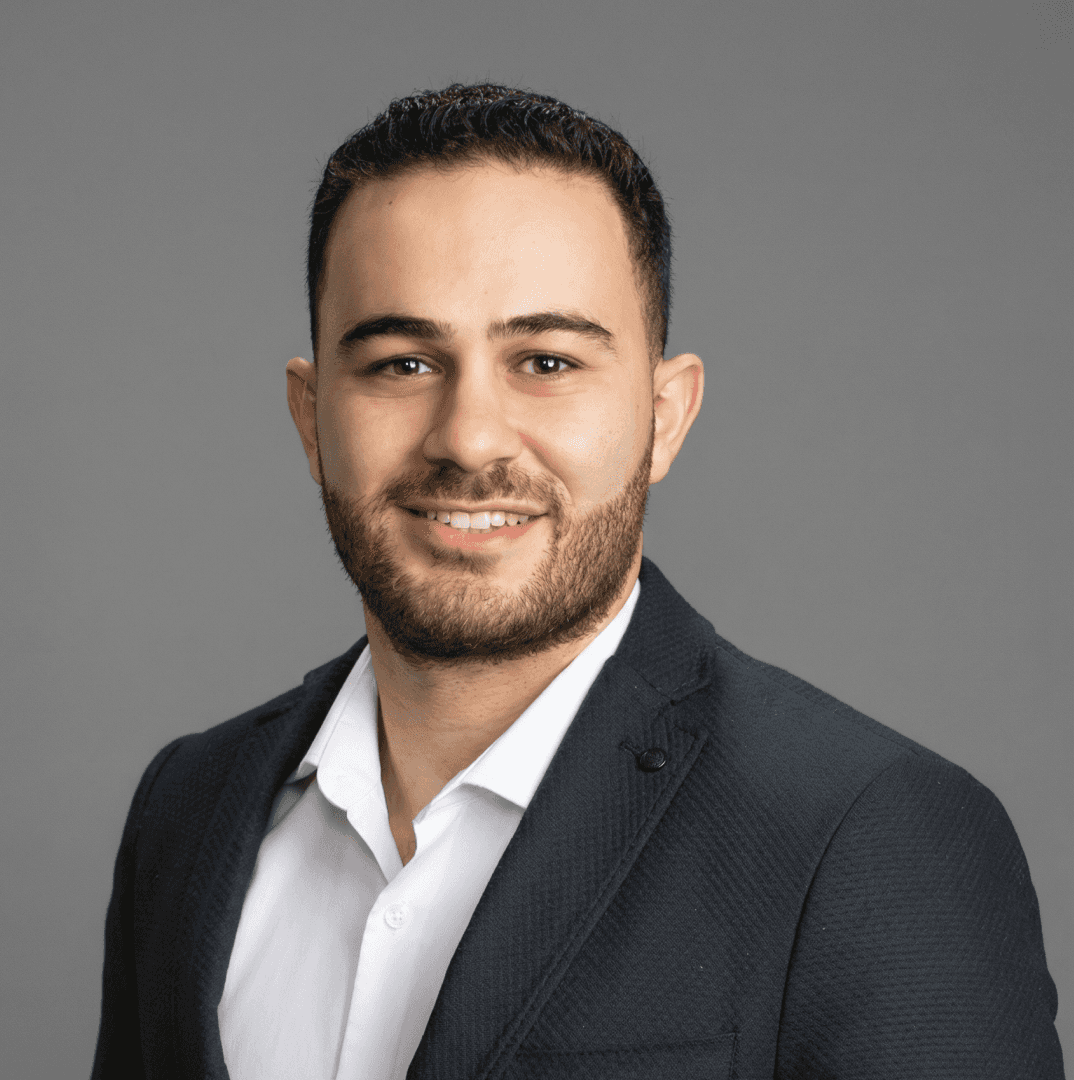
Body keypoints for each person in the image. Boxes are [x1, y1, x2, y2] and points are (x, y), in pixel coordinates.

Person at [91, 84, 1063, 1080]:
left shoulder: (869, 839)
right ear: (311, 418)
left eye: (547, 361)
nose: (469, 437)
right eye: (403, 364)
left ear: (665, 417)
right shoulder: (188, 807)